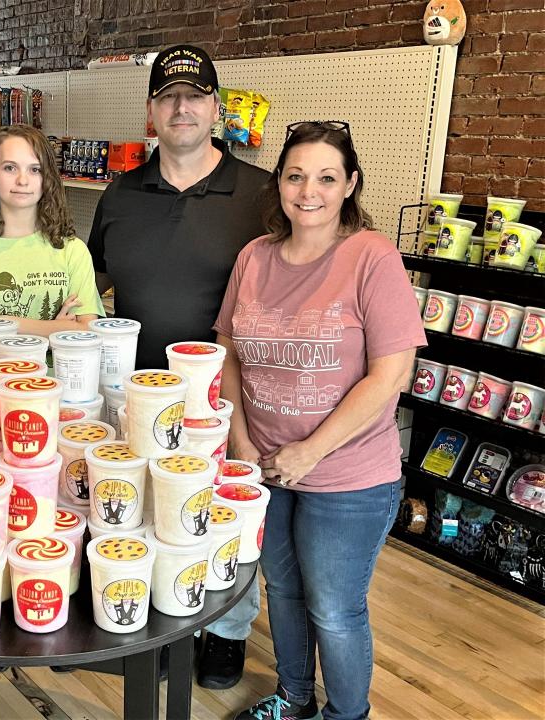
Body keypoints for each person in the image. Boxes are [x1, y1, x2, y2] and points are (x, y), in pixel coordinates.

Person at [215, 121, 425, 720]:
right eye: (296, 175)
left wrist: (311, 450)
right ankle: (295, 698)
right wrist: (243, 439)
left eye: (327, 178)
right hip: (266, 467)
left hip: (350, 477)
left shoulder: (372, 257)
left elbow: (389, 378)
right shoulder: (253, 257)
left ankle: (346, 715)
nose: (310, 190)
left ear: (350, 184)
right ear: (279, 183)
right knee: (280, 590)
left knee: (334, 608)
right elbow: (227, 350)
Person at [87, 44, 269, 689]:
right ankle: (160, 620)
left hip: (227, 400)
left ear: (216, 108)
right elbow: (92, 286)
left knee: (222, 511)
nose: (181, 107)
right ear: (150, 112)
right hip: (135, 398)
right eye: (168, 96)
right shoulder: (121, 193)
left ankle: (225, 630)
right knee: (152, 511)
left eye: (194, 96)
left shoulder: (260, 195)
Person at [0, 124, 104, 353]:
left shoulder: (71, 250)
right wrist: (54, 329)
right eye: (9, 168)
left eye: (35, 169)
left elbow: (86, 330)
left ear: (47, 178)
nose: (22, 180)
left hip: (57, 386)